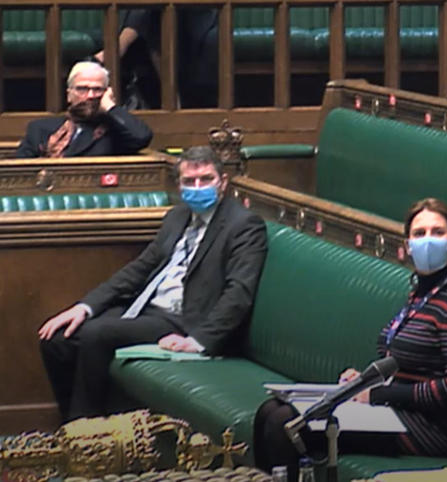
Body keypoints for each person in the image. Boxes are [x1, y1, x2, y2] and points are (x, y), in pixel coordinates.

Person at [254, 198, 447, 479]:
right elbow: (403, 365)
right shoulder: (421, 295)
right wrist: (362, 382)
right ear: (407, 244)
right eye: (419, 233)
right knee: (269, 410)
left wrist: (375, 394)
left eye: (438, 233)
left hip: (426, 428)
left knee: (285, 422)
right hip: (392, 412)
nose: (428, 240)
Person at [38, 146, 267, 421]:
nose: (198, 187)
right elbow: (139, 269)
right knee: (58, 338)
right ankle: (72, 423)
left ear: (223, 183)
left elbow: (239, 292)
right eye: (189, 181)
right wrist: (85, 306)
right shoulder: (177, 217)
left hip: (184, 319)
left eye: (206, 179)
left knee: (97, 334)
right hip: (147, 308)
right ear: (178, 185)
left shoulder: (243, 225)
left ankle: (86, 433)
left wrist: (198, 341)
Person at [15, 61, 153, 158]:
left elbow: (141, 137)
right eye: (82, 89)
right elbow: (20, 172)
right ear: (69, 94)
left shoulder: (114, 131)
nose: (90, 96)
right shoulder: (40, 128)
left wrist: (111, 107)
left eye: (98, 89)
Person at [94, 8, 218, 109]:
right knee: (157, 13)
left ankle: (117, 48)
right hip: (155, 16)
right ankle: (172, 101)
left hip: (196, 11)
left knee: (157, 11)